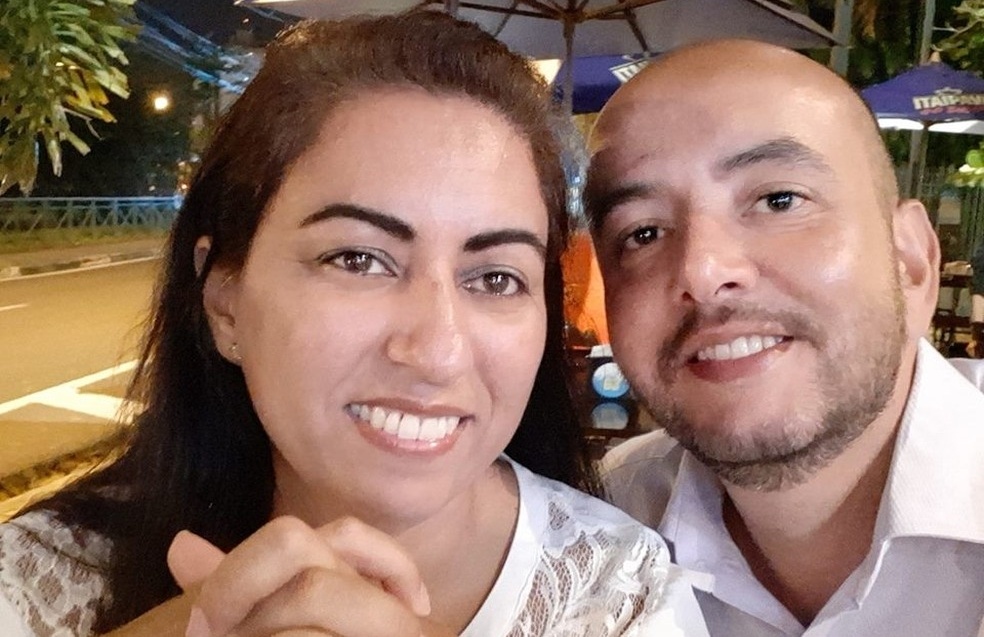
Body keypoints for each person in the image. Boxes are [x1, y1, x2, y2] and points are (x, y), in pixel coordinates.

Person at [0, 13, 708, 637]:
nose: (436, 352)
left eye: (495, 278)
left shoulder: (621, 596)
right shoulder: (39, 584)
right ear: (224, 301)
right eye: (358, 259)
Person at [585, 39, 984, 636]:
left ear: (912, 261)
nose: (702, 270)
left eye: (778, 200)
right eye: (643, 233)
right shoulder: (600, 525)